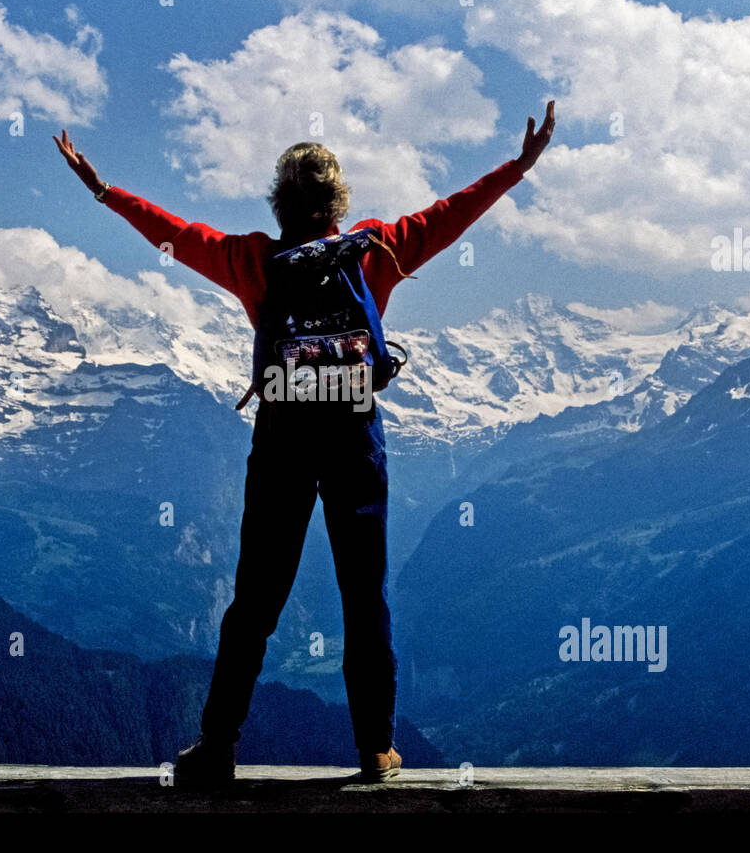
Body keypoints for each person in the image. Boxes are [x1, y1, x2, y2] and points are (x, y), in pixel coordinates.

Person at [54, 101, 555, 782]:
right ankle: (376, 747)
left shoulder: (252, 260)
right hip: (354, 440)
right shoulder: (377, 248)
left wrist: (105, 192)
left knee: (255, 599)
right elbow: (450, 214)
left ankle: (219, 745)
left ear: (279, 203)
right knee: (364, 595)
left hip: (283, 444)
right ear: (339, 204)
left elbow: (173, 233)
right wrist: (518, 168)